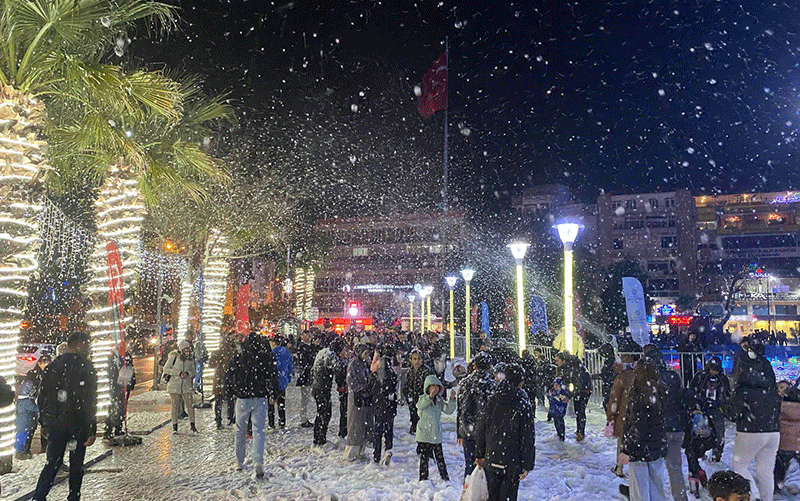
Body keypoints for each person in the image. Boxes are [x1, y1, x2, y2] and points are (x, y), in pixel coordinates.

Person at [33, 331, 97, 501]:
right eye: (86, 344)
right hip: (78, 422)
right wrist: (91, 427)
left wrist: (46, 422)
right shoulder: (86, 367)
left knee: (52, 464)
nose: (88, 348)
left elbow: (43, 396)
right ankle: (73, 496)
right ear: (80, 344)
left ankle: (39, 496)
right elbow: (90, 400)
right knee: (76, 465)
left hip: (57, 423)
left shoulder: (54, 366)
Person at [729, 336, 781, 501]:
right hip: (772, 430)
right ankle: (767, 498)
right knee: (766, 471)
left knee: (740, 466)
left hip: (750, 430)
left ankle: (755, 496)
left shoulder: (744, 384)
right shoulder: (768, 375)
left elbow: (734, 411)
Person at [475, 363, 536, 501]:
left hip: (491, 456)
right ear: (520, 382)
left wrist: (479, 453)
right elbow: (527, 437)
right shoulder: (523, 404)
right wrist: (527, 464)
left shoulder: (493, 399)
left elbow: (481, 428)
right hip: (511, 460)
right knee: (508, 496)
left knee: (493, 495)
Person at [226, 332, 279, 478]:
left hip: (243, 397)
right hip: (260, 397)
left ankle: (239, 460)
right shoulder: (265, 359)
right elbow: (273, 376)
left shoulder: (238, 359)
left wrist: (231, 391)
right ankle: (258, 461)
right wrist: (273, 394)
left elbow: (229, 375)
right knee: (258, 431)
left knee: (240, 430)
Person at [643, 344, 688, 501]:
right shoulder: (673, 377)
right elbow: (680, 400)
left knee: (653, 468)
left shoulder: (649, 381)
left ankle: (655, 497)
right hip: (676, 427)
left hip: (658, 429)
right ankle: (680, 497)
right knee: (675, 468)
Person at [619, 359, 669, 501]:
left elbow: (637, 427)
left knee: (640, 490)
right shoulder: (661, 391)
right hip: (657, 445)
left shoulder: (639, 395)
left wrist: (627, 449)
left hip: (640, 449)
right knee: (656, 486)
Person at [457, 351, 496, 480]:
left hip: (468, 429)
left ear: (474, 365)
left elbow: (460, 408)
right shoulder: (492, 385)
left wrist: (460, 431)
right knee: (486, 467)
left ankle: (468, 493)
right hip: (486, 431)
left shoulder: (464, 383)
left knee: (469, 465)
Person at [416, 374, 456, 482]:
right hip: (424, 434)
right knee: (424, 458)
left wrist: (452, 400)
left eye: (436, 386)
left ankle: (445, 477)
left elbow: (448, 410)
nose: (434, 389)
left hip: (435, 434)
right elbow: (419, 406)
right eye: (432, 386)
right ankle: (423, 479)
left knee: (440, 457)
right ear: (427, 388)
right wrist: (429, 397)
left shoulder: (439, 400)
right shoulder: (423, 399)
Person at [688, 356, 730, 462]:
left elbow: (727, 394)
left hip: (716, 408)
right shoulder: (701, 376)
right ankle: (698, 452)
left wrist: (723, 407)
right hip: (701, 407)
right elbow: (692, 391)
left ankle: (717, 454)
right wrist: (695, 406)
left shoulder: (722, 379)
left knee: (719, 433)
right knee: (699, 433)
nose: (713, 372)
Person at [311, 337, 345, 446]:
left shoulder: (322, 352)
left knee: (321, 412)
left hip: (317, 387)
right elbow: (338, 369)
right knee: (325, 413)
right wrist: (341, 383)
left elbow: (313, 370)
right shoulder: (331, 355)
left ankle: (317, 437)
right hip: (323, 388)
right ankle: (321, 439)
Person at [344, 344, 374, 461]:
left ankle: (360, 451)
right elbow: (351, 380)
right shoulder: (354, 364)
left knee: (363, 425)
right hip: (357, 399)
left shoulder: (363, 364)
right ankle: (351, 454)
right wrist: (361, 389)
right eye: (365, 353)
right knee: (355, 425)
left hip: (364, 399)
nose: (367, 356)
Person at [15, 353, 49, 459]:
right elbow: (24, 398)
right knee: (25, 430)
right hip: (27, 410)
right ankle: (21, 451)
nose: (46, 365)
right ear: (39, 363)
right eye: (45, 362)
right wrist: (37, 408)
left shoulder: (39, 377)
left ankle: (25, 450)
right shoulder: (33, 379)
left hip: (30, 410)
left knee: (29, 429)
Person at [607, 357, 636, 478]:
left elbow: (614, 400)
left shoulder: (620, 378)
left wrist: (610, 417)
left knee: (622, 442)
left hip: (623, 415)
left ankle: (620, 467)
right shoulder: (638, 377)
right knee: (634, 441)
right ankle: (634, 468)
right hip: (636, 415)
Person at [370, 346, 398, 466]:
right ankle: (387, 449)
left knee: (378, 430)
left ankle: (377, 454)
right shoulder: (391, 371)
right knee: (388, 430)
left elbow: (374, 386)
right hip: (388, 404)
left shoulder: (378, 369)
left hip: (380, 403)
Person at [555, 351, 591, 441]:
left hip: (584, 389)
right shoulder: (568, 366)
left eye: (558, 360)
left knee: (580, 410)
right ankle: (579, 430)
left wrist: (569, 396)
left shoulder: (572, 368)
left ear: (563, 360)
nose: (556, 363)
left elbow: (576, 384)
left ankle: (581, 432)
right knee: (578, 410)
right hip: (581, 388)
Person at [164, 340, 197, 434]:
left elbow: (193, 371)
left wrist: (188, 373)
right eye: (185, 348)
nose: (187, 350)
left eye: (188, 348)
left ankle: (193, 425)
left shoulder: (190, 358)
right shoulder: (174, 356)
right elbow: (166, 369)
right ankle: (175, 427)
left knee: (190, 405)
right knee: (175, 406)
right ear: (181, 349)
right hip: (175, 384)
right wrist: (177, 373)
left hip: (186, 385)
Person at [103, 344, 135, 441]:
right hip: (116, 386)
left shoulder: (126, 355)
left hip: (125, 386)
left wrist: (131, 382)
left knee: (122, 408)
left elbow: (131, 368)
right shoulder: (113, 357)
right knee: (113, 408)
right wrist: (116, 382)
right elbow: (110, 372)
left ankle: (118, 427)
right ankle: (109, 430)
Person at [774, 387, 800, 493]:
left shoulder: (779, 407)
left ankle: (777, 485)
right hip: (798, 444)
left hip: (784, 444)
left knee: (780, 467)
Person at [209, 334, 237, 429]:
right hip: (230, 377)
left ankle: (218, 419)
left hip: (219, 378)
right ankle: (231, 418)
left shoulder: (216, 353)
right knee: (230, 399)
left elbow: (211, 365)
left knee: (218, 400)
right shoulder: (233, 352)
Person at [402, 349, 432, 435]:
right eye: (414, 359)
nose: (417, 361)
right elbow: (407, 385)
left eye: (419, 359)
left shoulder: (426, 371)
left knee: (422, 415)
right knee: (413, 413)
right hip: (412, 398)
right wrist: (407, 395)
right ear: (411, 360)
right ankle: (414, 426)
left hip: (422, 398)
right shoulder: (410, 372)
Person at [269, 335, 294, 430]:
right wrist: (287, 379)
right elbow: (290, 367)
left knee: (271, 404)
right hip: (282, 381)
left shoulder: (271, 353)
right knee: (281, 403)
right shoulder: (286, 353)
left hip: (272, 382)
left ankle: (271, 424)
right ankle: (282, 422)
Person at [295, 330, 317, 428]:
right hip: (305, 376)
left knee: (306, 399)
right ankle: (303, 419)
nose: (309, 337)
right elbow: (307, 360)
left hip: (307, 376)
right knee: (305, 399)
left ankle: (304, 418)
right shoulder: (302, 347)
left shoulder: (307, 346)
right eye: (307, 335)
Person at [548, 376, 570, 441]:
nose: (555, 386)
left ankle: (561, 435)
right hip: (555, 411)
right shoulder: (553, 392)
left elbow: (563, 401)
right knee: (556, 423)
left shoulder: (562, 392)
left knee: (560, 423)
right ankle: (559, 434)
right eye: (554, 385)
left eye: (557, 385)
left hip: (559, 411)